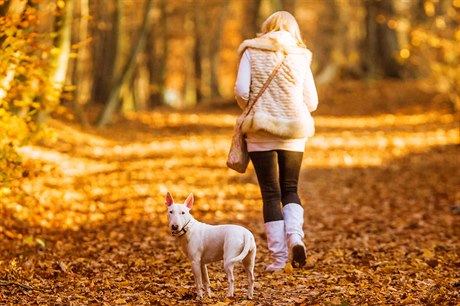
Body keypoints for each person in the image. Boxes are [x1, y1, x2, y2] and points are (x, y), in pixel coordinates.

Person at [234, 11, 318, 271]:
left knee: (271, 194)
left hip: (260, 129)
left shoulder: (250, 50)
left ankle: (279, 259)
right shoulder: (301, 55)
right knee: (290, 188)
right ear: (293, 30)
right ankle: (295, 236)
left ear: (267, 28)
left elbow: (240, 90)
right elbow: (312, 102)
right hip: (294, 130)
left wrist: (252, 109)